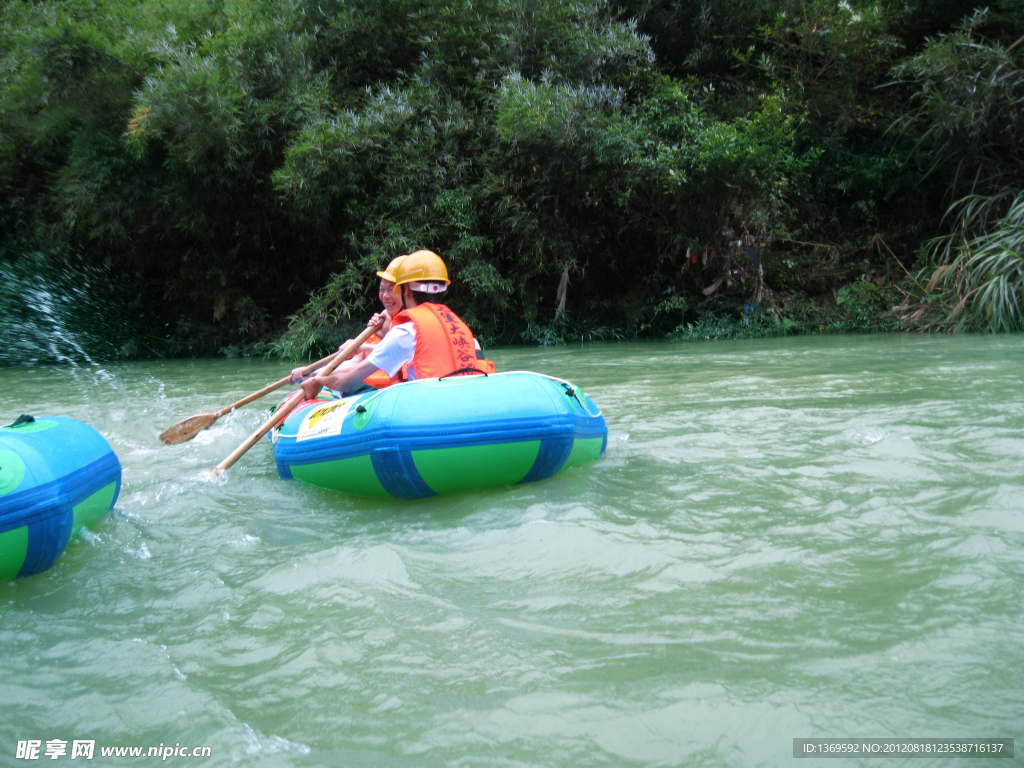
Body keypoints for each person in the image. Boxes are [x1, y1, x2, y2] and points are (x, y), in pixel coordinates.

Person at [298, 250, 494, 401]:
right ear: (443, 289)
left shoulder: (405, 332)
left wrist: (318, 382)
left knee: (356, 389)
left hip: (432, 407)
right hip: (468, 401)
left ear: (405, 290)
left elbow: (346, 382)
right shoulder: (460, 326)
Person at [290, 256, 407, 392]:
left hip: (391, 391)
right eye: (382, 289)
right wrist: (310, 373)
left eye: (392, 289)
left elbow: (401, 352)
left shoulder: (411, 322)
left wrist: (363, 346)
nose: (386, 296)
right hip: (368, 389)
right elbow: (354, 364)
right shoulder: (380, 321)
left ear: (408, 291)